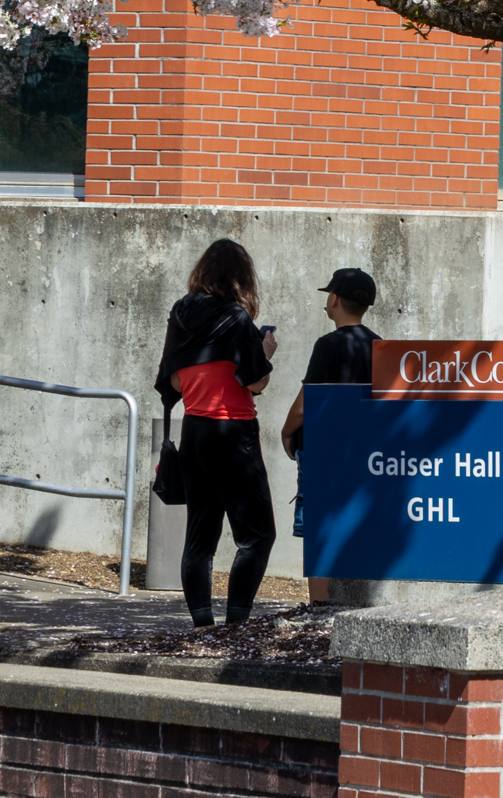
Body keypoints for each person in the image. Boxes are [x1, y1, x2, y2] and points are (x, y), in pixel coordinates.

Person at [155, 237, 277, 629]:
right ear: (241, 278)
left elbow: (172, 380)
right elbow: (256, 383)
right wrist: (266, 352)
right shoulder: (237, 319)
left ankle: (202, 626)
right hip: (233, 431)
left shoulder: (180, 313)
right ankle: (237, 623)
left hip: (194, 432)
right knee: (257, 536)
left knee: (200, 539)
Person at [280, 266, 379, 603]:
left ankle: (319, 605)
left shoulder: (328, 345)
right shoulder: (380, 347)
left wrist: (287, 431)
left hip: (324, 451)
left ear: (334, 299)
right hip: (364, 452)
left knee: (320, 527)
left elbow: (308, 402)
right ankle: (355, 599)